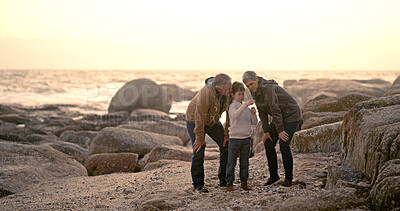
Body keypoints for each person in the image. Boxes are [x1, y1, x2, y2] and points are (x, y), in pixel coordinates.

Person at [242, 71, 301, 187]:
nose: (250, 87)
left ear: (257, 79)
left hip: (291, 115)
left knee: (284, 144)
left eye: (252, 84)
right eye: (248, 86)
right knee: (268, 143)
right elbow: (262, 111)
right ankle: (274, 176)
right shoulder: (254, 90)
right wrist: (267, 131)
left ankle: (288, 179)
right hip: (280, 116)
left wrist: (280, 131)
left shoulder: (268, 89)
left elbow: (275, 109)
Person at [186, 73, 232, 193]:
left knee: (225, 145)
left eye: (230, 87)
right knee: (199, 150)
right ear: (218, 89)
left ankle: (224, 180)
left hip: (212, 121)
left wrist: (226, 133)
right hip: (194, 119)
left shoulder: (227, 92)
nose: (231, 90)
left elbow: (229, 114)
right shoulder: (205, 94)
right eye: (228, 89)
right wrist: (200, 138)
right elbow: (199, 116)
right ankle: (198, 185)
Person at [226, 82, 258, 191]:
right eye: (239, 94)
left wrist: (253, 114)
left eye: (242, 94)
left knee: (245, 162)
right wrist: (245, 105)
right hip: (234, 139)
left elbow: (254, 122)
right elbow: (235, 116)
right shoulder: (232, 106)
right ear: (233, 95)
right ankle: (229, 183)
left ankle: (244, 183)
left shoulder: (245, 107)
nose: (241, 96)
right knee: (231, 162)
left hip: (246, 138)